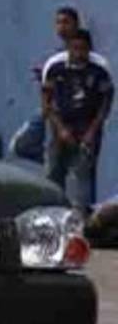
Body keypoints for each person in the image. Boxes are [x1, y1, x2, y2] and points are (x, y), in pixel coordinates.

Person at [43, 29, 113, 211]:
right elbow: (47, 102)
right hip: (60, 129)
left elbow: (105, 105)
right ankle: (52, 216)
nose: (79, 53)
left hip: (86, 130)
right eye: (75, 48)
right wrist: (60, 128)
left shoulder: (98, 73)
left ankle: (81, 222)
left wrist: (92, 132)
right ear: (68, 48)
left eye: (83, 49)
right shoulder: (56, 69)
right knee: (53, 173)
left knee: (82, 176)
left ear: (89, 49)